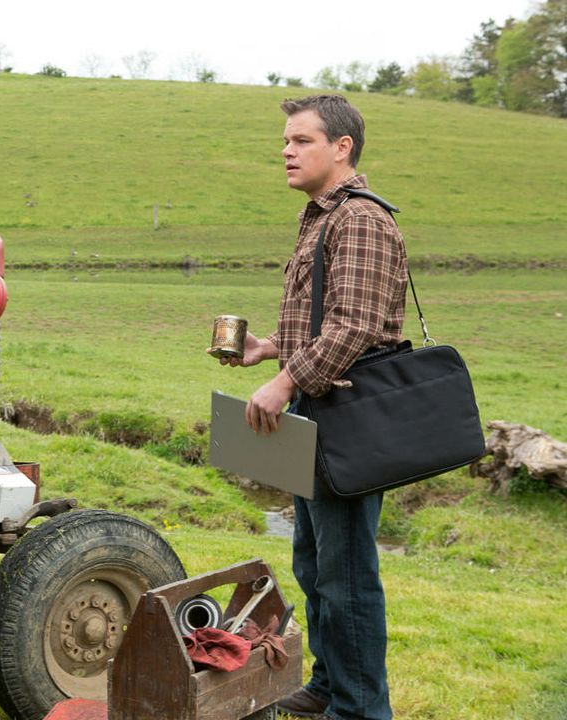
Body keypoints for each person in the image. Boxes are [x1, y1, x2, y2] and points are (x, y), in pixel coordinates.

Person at [220, 94, 407, 720]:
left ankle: (358, 709)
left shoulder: (361, 220)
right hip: (315, 414)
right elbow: (330, 318)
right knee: (314, 560)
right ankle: (330, 684)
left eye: (300, 141)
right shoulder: (321, 217)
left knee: (347, 572)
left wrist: (283, 381)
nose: (286, 151)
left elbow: (354, 328)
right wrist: (270, 349)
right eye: (285, 141)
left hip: (346, 418)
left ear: (342, 147)